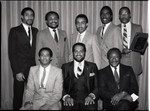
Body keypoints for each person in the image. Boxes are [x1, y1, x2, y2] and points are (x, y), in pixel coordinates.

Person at [8, 7, 38, 110]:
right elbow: (11, 53)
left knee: (33, 97)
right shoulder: (14, 31)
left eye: (31, 15)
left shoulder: (35, 31)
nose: (29, 17)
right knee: (18, 97)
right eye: (27, 15)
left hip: (33, 70)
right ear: (22, 16)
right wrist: (17, 71)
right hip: (20, 70)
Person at [62, 43, 99, 110]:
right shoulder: (65, 67)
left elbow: (97, 86)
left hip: (88, 98)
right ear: (73, 52)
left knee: (92, 108)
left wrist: (91, 96)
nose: (78, 53)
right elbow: (60, 86)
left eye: (81, 51)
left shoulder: (92, 66)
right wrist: (66, 97)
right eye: (76, 51)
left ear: (85, 52)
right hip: (71, 99)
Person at [118, 6, 143, 80]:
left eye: (126, 13)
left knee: (133, 88)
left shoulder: (137, 27)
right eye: (121, 14)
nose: (124, 16)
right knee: (122, 86)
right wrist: (121, 50)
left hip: (133, 61)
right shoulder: (115, 28)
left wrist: (143, 44)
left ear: (130, 15)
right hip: (120, 60)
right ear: (119, 16)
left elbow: (141, 45)